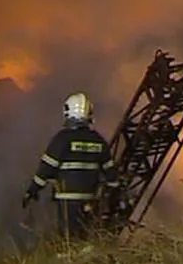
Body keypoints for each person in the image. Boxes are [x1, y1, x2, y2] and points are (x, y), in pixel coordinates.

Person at [22, 92, 117, 240]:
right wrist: (114, 193)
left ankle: (69, 259)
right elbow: (111, 173)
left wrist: (32, 190)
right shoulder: (99, 141)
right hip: (90, 200)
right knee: (85, 235)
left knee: (68, 238)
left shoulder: (62, 139)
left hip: (67, 200)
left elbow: (46, 169)